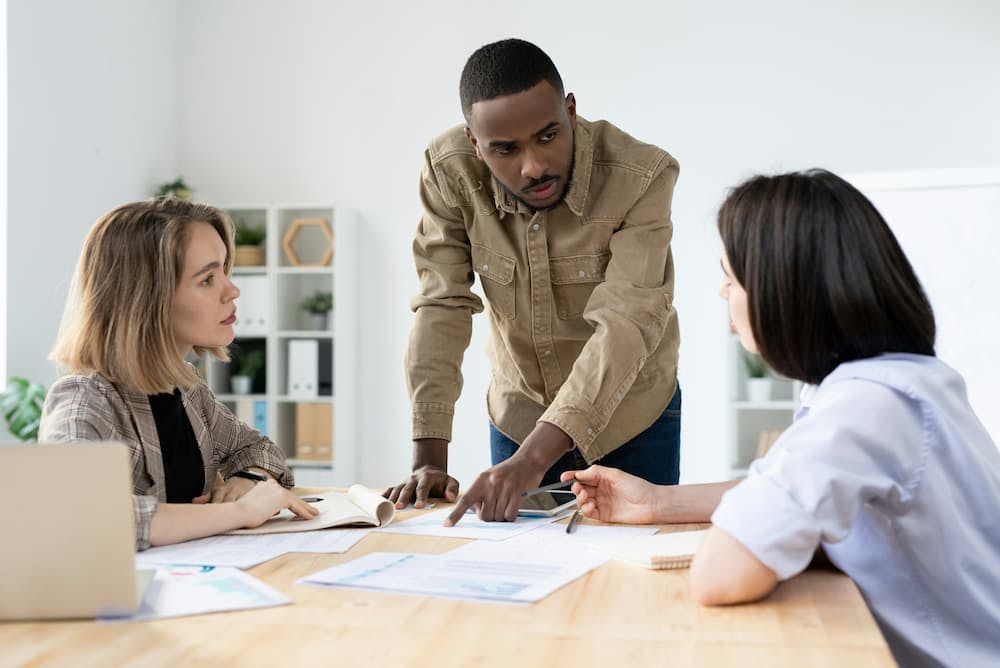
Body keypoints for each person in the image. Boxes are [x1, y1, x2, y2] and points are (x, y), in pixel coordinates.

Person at [563, 169, 1000, 667]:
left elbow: (719, 574)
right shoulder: (901, 381)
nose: (722, 294)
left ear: (781, 289)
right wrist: (659, 502)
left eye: (730, 278)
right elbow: (786, 489)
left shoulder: (864, 407)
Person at [384, 38, 682, 525]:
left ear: (570, 110)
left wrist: (532, 459)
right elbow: (443, 304)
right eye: (505, 149)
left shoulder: (642, 176)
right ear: (474, 143)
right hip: (519, 414)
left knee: (628, 579)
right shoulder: (448, 171)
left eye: (548, 136)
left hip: (634, 418)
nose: (534, 166)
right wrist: (429, 457)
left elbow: (626, 322)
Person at [40, 199, 318, 551]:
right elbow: (81, 514)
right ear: (146, 299)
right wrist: (241, 512)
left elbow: (258, 449)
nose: (232, 290)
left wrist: (249, 480)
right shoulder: (85, 401)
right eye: (207, 279)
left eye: (224, 273)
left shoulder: (187, 389)